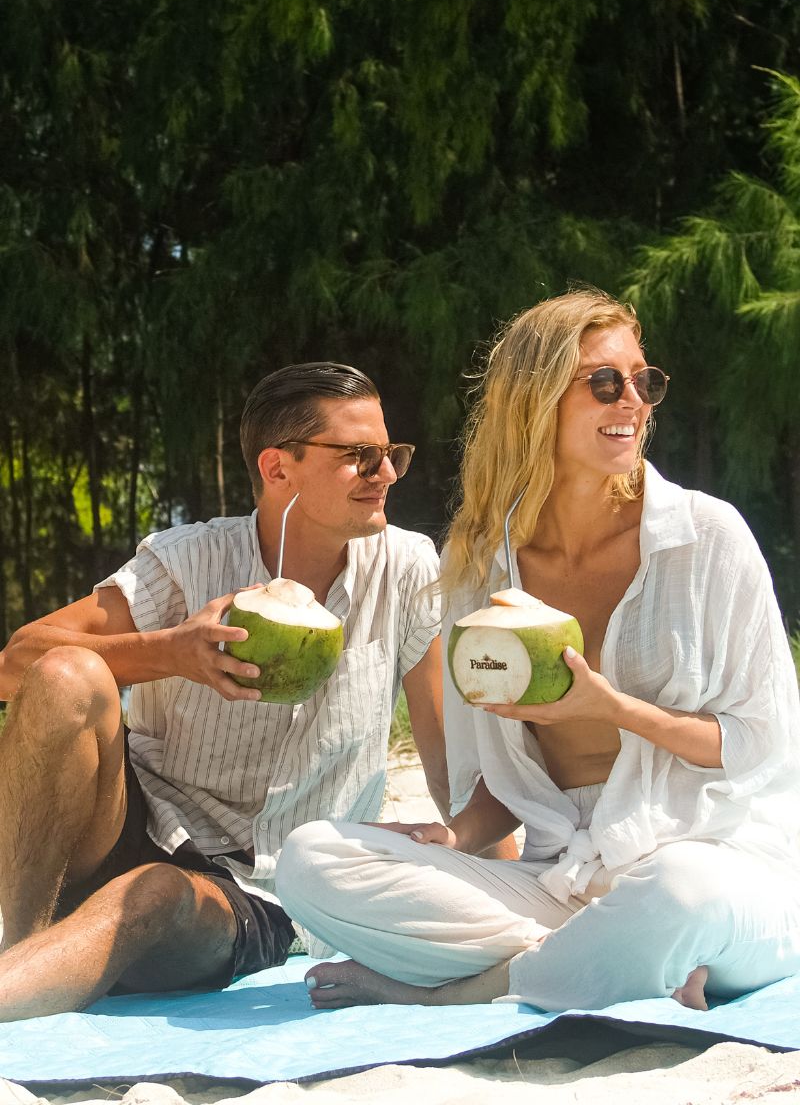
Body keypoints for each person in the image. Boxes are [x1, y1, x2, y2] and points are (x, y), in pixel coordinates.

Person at [276, 290, 800, 1015]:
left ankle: (468, 991)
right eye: (604, 382)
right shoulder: (480, 565)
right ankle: (612, 961)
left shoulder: (707, 537)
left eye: (644, 381)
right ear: (534, 399)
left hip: (721, 862)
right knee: (312, 859)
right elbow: (498, 781)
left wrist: (610, 708)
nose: (632, 402)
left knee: (682, 892)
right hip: (565, 886)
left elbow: (759, 746)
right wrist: (455, 833)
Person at [0, 361, 448, 1020]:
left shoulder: (407, 568)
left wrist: (487, 867)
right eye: (360, 456)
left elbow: (450, 760)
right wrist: (169, 651)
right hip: (128, 820)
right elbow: (16, 662)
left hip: (254, 893)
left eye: (390, 454)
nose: (386, 473)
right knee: (68, 673)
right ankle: (16, 940)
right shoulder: (186, 560)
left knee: (150, 894)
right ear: (277, 469)